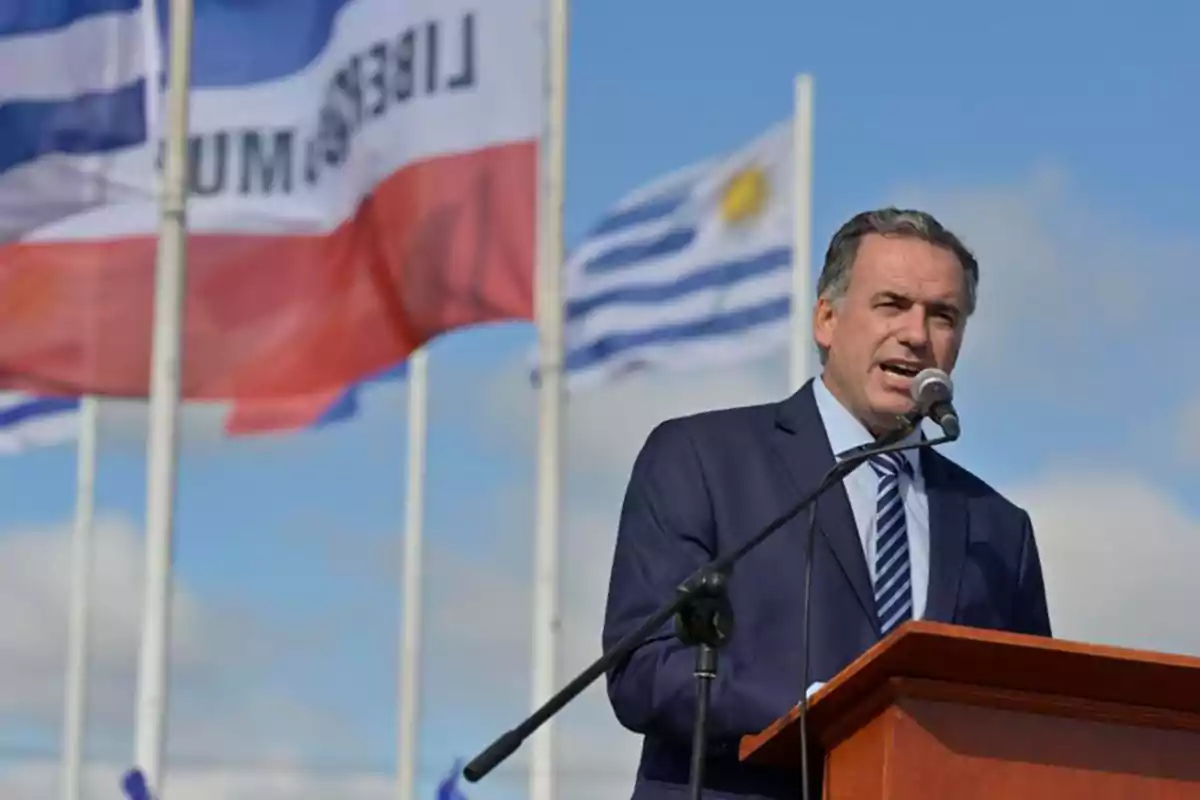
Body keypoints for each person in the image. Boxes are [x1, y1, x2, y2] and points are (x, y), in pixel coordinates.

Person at [601, 208, 1052, 800]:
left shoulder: (999, 528)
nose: (917, 334)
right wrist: (816, 711)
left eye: (942, 315)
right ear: (827, 318)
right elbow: (645, 669)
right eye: (891, 304)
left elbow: (1032, 718)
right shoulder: (701, 459)